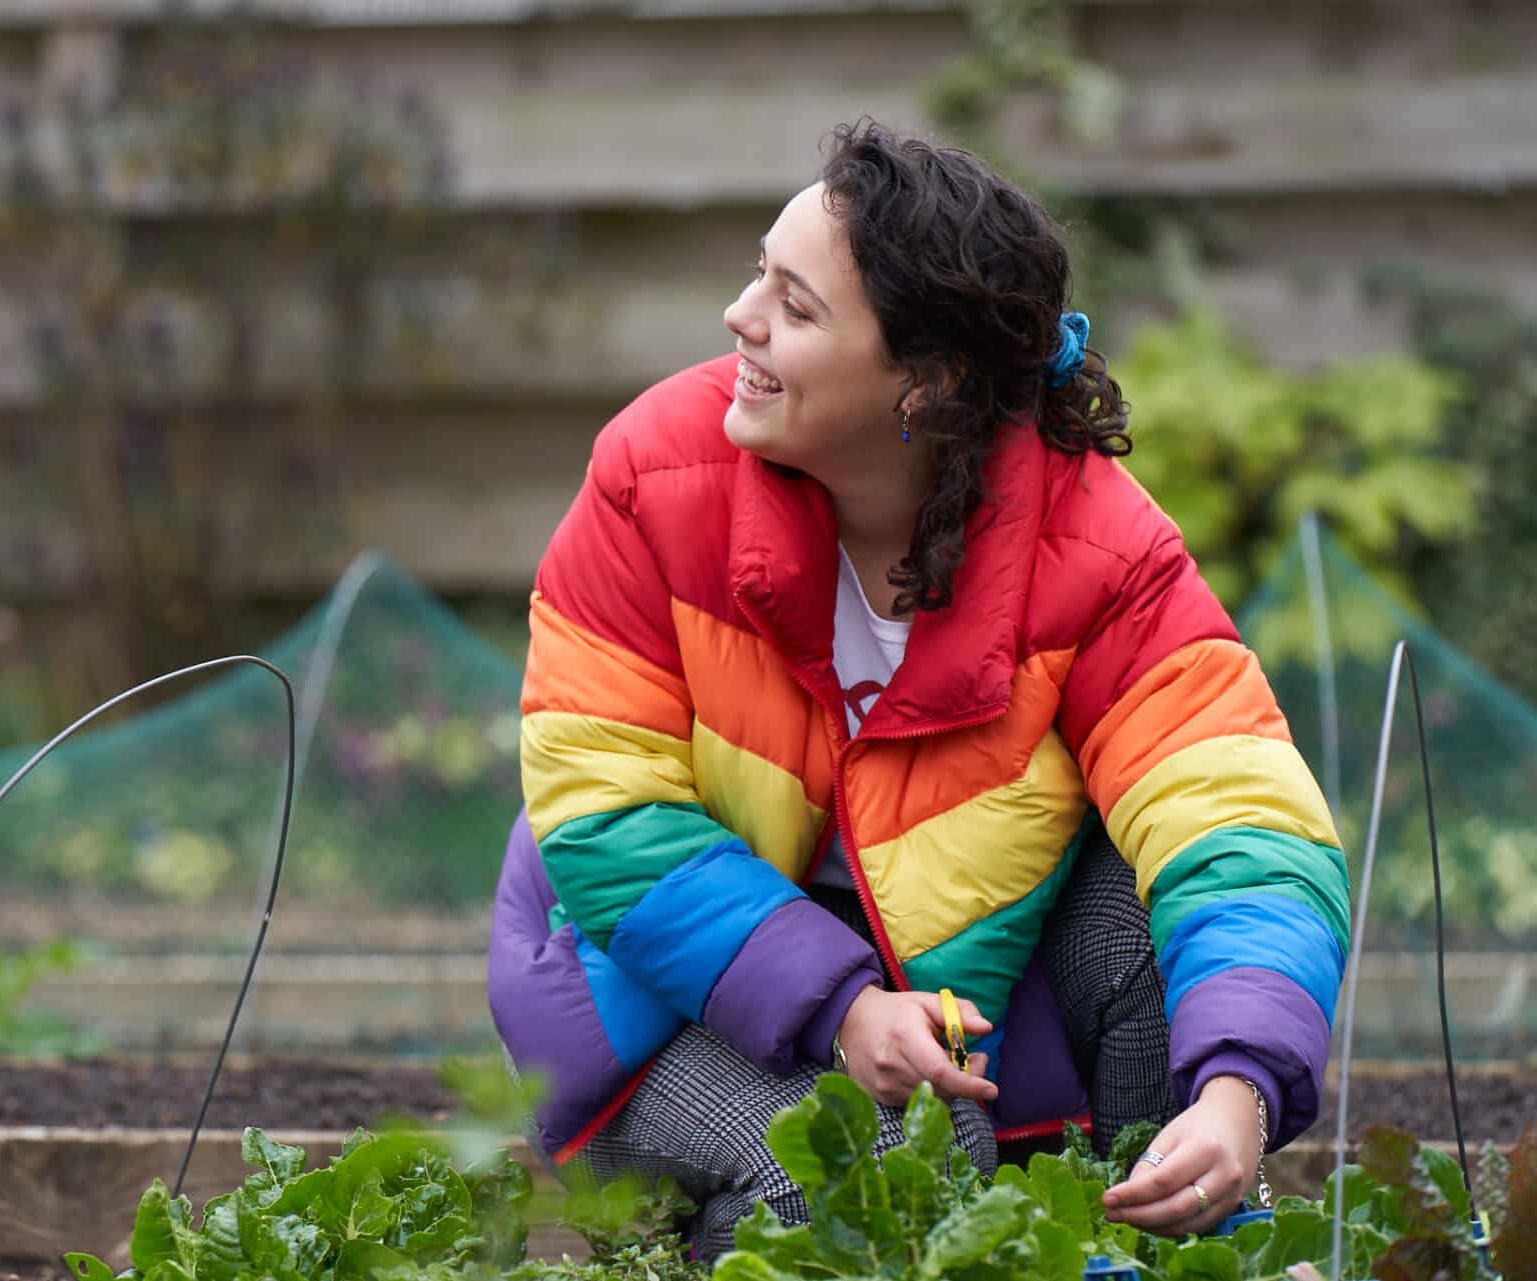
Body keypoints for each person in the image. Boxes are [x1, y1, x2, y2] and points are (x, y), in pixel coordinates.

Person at [486, 121, 1349, 1259]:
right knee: (862, 1175)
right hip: (646, 988)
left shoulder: (1094, 542)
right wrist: (842, 1007)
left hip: (957, 976)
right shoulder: (654, 478)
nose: (740, 317)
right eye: (758, 274)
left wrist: (1238, 1090)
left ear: (926, 383)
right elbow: (606, 815)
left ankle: (1172, 1231)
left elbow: (1240, 816)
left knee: (1142, 923)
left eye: (795, 307)